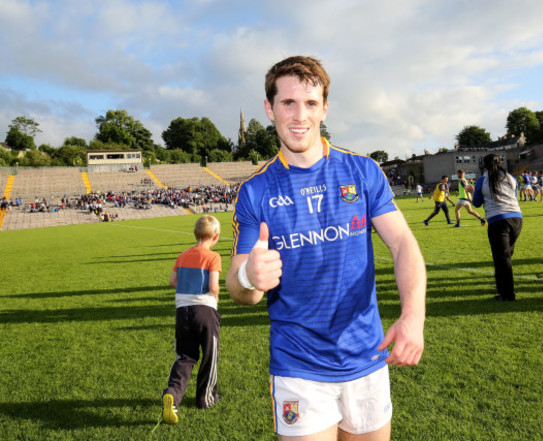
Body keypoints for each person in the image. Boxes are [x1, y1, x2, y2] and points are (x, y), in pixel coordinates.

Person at [225, 56, 426, 440]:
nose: (300, 115)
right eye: (288, 103)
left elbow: (402, 244)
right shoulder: (255, 191)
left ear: (324, 108)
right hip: (298, 367)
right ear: (270, 109)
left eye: (311, 103)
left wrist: (413, 316)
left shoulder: (362, 171)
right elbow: (239, 289)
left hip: (367, 358)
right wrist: (250, 275)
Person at [162, 215, 223, 424]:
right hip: (204, 310)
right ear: (215, 237)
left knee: (185, 356)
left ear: (195, 233)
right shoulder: (213, 256)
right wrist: (216, 294)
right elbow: (214, 286)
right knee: (209, 354)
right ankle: (206, 398)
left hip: (183, 311)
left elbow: (172, 281)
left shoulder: (182, 255)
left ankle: (173, 393)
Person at [472, 154, 523, 301]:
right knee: (506, 256)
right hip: (517, 218)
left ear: (485, 166)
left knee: (502, 259)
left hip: (498, 220)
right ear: (500, 163)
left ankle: (507, 295)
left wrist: (472, 190)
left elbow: (476, 203)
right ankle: (504, 288)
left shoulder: (483, 180)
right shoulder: (510, 178)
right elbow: (514, 195)